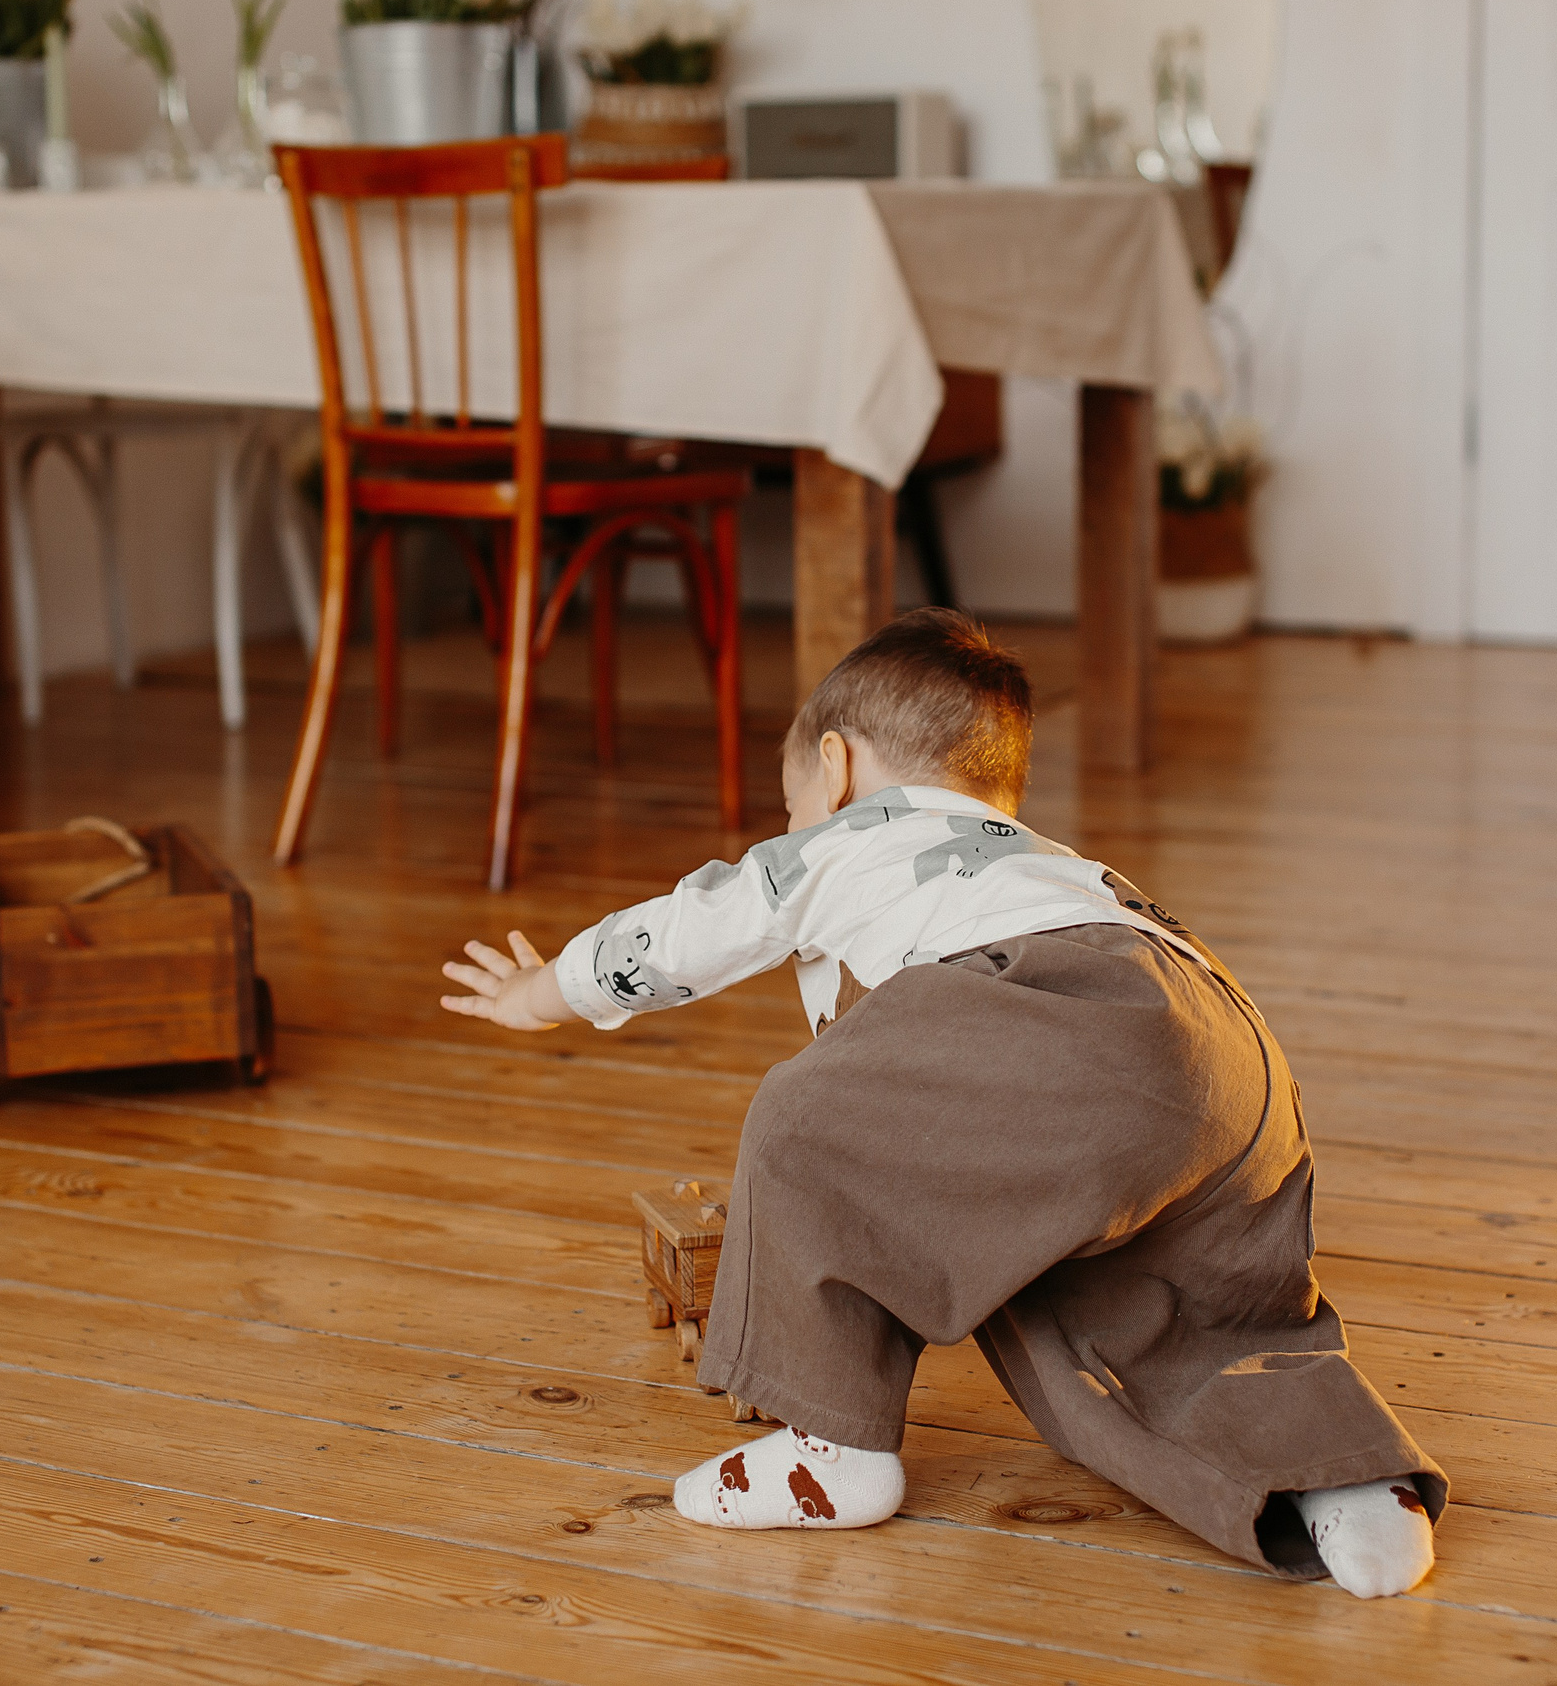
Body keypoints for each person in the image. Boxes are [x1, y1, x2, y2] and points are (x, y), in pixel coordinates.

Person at [438, 609, 1445, 1596]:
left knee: (802, 1126)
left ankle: (826, 1444)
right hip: (1230, 1057)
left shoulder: (856, 831)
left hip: (1056, 1007)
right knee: (1141, 1300)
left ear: (834, 768)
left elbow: (698, 925)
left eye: (792, 812)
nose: (793, 834)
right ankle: (1343, 1477)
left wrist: (545, 990)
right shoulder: (1055, 866)